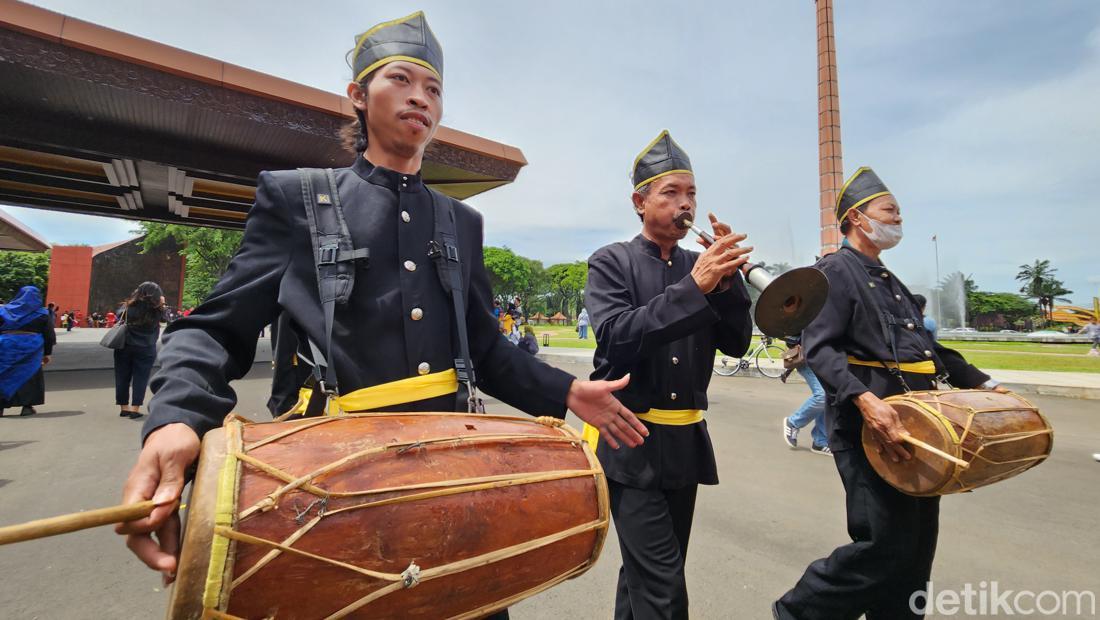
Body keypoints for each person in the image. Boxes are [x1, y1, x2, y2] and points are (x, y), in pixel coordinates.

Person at [115, 13, 648, 607]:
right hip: (335, 491)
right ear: (359, 96)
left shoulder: (460, 221)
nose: (421, 96)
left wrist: (569, 393)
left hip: (453, 479)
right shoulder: (296, 197)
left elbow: (487, 350)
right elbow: (214, 329)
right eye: (401, 79)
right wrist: (174, 418)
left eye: (434, 88)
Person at [773, 167, 1007, 620]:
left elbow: (930, 350)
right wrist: (865, 401)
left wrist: (986, 384)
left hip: (918, 428)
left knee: (916, 552)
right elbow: (820, 350)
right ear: (858, 218)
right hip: (870, 428)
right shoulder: (833, 273)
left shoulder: (888, 280)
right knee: (883, 546)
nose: (899, 218)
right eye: (890, 210)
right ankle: (798, 613)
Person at [585, 131, 753, 619]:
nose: (686, 204)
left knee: (649, 575)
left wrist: (729, 282)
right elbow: (616, 338)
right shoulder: (610, 262)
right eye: (671, 193)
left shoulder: (701, 264)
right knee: (663, 590)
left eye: (692, 194)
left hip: (685, 443)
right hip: (629, 443)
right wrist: (695, 286)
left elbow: (737, 344)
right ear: (640, 202)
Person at [0, 286, 55, 417]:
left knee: (4, 373)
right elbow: (49, 335)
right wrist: (47, 353)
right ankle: (27, 406)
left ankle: (0, 406)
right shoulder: (42, 314)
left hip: (6, 345)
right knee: (29, 374)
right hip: (31, 347)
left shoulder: (3, 311)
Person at [114, 282, 166, 419]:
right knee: (141, 378)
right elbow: (165, 319)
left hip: (124, 345)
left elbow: (118, 316)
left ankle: (123, 407)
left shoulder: (128, 306)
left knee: (122, 376)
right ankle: (134, 409)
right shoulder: (157, 309)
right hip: (146, 347)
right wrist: (162, 304)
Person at [781, 333, 830, 455]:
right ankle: (793, 422)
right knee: (822, 395)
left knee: (828, 396)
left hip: (823, 358)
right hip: (807, 357)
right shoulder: (811, 314)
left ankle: (820, 441)